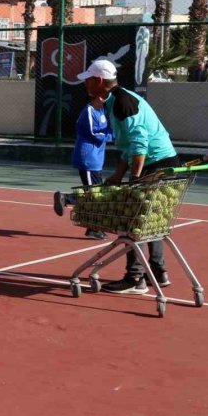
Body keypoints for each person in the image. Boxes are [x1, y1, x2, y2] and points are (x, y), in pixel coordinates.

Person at [75, 59, 179, 294]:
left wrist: (135, 177)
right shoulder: (116, 100)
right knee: (151, 220)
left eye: (88, 79)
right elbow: (127, 147)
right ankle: (158, 272)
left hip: (155, 165)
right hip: (160, 162)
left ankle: (135, 278)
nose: (85, 83)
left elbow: (139, 144)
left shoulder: (122, 102)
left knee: (133, 220)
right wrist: (118, 174)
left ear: (99, 81)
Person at [53, 95, 114, 240]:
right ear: (95, 97)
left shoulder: (102, 111)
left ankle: (92, 228)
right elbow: (95, 134)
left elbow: (107, 129)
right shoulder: (88, 111)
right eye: (102, 97)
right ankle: (66, 198)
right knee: (94, 194)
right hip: (88, 159)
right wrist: (113, 135)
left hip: (96, 160)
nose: (105, 99)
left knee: (96, 194)